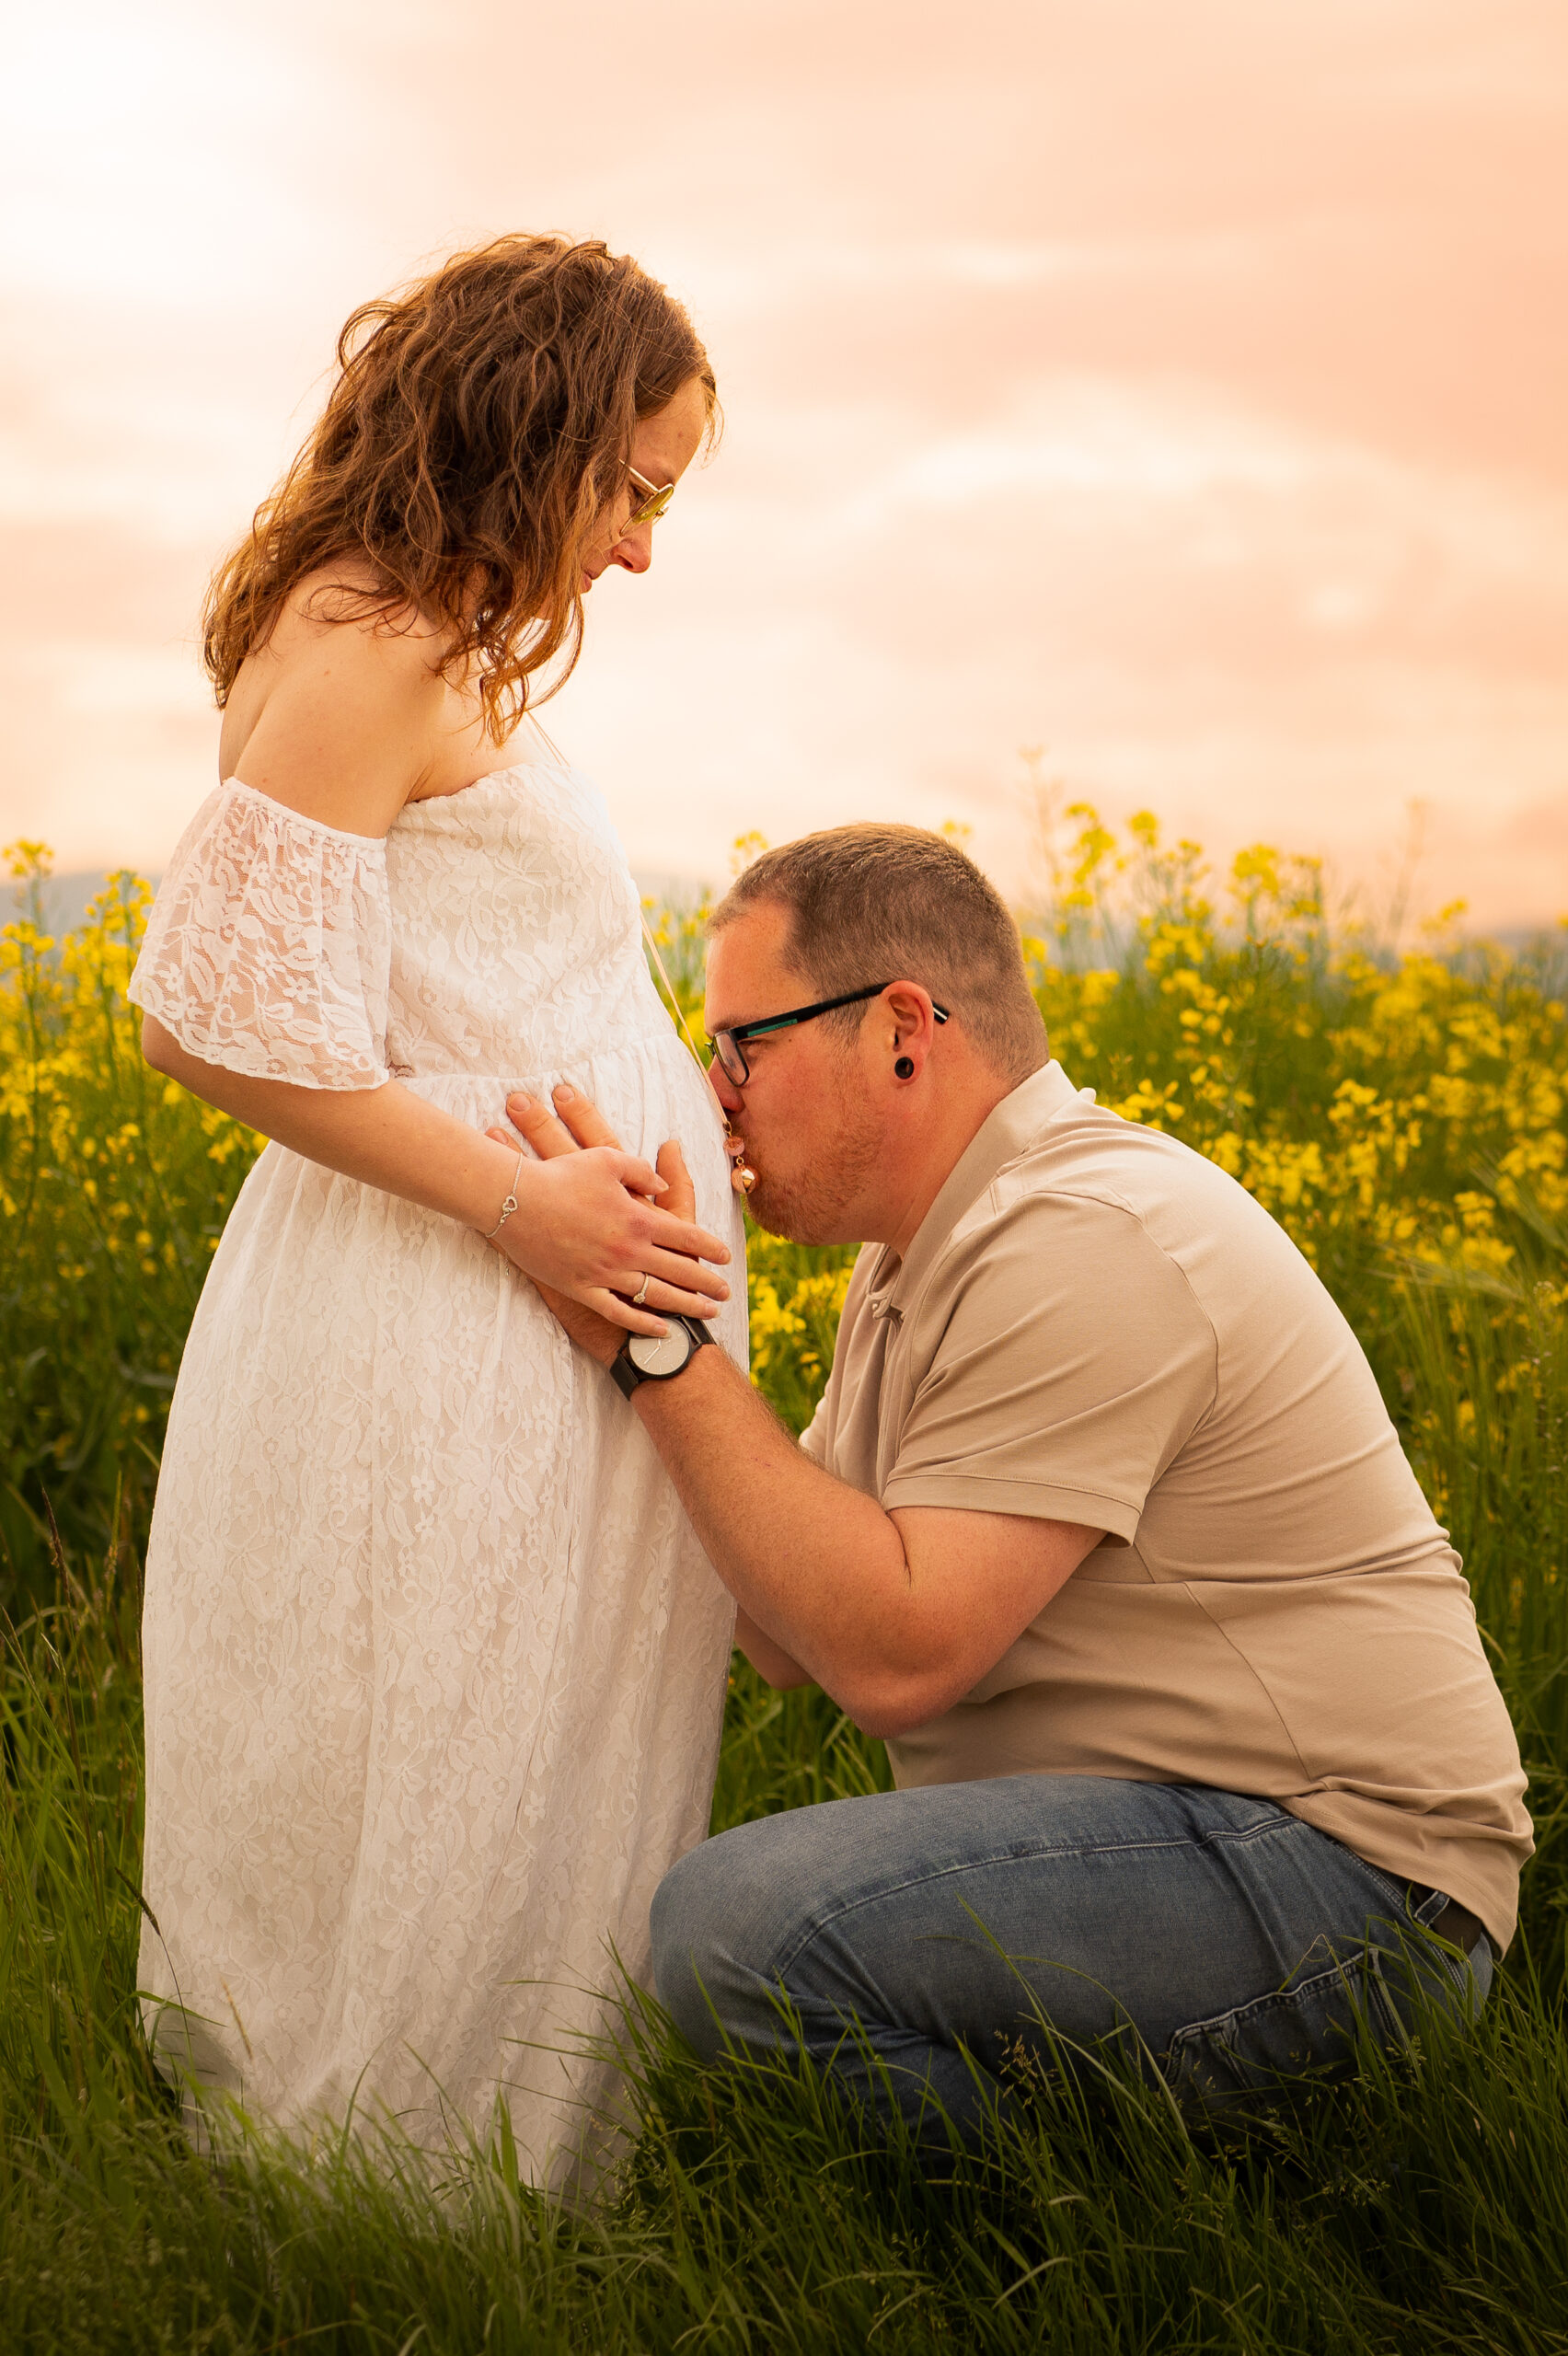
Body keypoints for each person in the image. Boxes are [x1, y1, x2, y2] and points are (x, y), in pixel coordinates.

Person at [504, 822, 1532, 2143]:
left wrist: (660, 1346)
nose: (716, 1096)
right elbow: (784, 1638)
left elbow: (893, 1657)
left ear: (902, 1030)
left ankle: (1129, 2239)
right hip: (1196, 1842)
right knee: (736, 1926)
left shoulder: (1086, 1240)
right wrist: (637, 1288)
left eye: (740, 1046)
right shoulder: (926, 1256)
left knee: (739, 1934)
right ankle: (1182, 2181)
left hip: (1351, 1886)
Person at [129, 235, 745, 2182]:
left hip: (508, 1281)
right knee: (453, 1722)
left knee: (514, 1724)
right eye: (633, 488)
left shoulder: (421, 630)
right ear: (538, 425)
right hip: (457, 1297)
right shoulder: (378, 641)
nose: (643, 548)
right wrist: (521, 1209)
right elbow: (208, 1025)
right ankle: (417, 2192)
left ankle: (503, 2158)